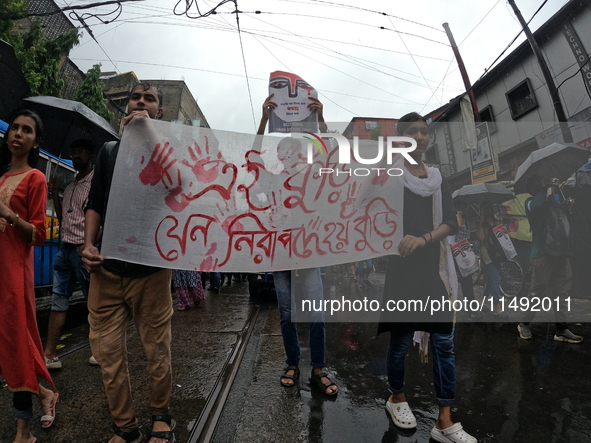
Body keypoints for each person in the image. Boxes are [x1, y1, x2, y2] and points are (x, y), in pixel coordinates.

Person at [81, 83, 175, 443]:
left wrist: (150, 136)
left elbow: (182, 187)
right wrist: (89, 244)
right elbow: (96, 202)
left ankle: (161, 415)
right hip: (106, 270)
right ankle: (125, 425)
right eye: (135, 97)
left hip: (151, 272)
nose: (140, 102)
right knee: (107, 355)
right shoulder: (109, 152)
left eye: (149, 98)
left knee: (156, 350)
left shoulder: (171, 153)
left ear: (160, 113)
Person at [377, 113, 476, 443]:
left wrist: (423, 238)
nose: (420, 137)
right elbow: (365, 207)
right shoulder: (389, 174)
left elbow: (451, 222)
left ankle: (444, 420)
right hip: (402, 270)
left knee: (444, 343)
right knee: (402, 340)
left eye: (424, 132)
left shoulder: (437, 178)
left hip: (433, 270)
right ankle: (396, 397)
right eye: (411, 133)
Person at [258, 94, 337, 395]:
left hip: (308, 253)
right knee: (287, 314)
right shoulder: (270, 180)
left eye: (295, 151)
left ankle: (319, 367)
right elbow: (250, 161)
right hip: (280, 256)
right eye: (285, 151)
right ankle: (292, 362)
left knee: (316, 313)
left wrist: (321, 121)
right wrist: (265, 120)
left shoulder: (313, 178)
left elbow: (332, 158)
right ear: (279, 156)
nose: (290, 155)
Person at [0, 109, 59, 443]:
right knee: (7, 346)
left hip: (14, 274)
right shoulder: (1, 179)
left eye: (27, 130)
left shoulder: (35, 178)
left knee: (16, 346)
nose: (18, 134)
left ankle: (24, 432)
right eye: (15, 128)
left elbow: (38, 235)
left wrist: (8, 213)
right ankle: (44, 392)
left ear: (35, 141)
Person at [44, 139, 98, 369]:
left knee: (93, 302)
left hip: (81, 250)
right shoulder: (72, 185)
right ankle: (49, 354)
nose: (77, 156)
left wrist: (89, 245)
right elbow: (63, 215)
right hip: (64, 249)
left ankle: (99, 351)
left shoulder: (95, 183)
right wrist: (56, 192)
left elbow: (100, 217)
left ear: (90, 156)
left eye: (81, 152)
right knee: (59, 300)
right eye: (74, 152)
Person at [517, 175, 583, 343]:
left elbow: (563, 223)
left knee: (562, 291)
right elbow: (538, 205)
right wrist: (544, 188)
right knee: (537, 292)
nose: (545, 182)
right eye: (541, 180)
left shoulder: (555, 201)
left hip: (561, 253)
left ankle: (562, 329)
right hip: (542, 254)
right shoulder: (531, 202)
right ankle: (524, 323)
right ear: (534, 187)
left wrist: (568, 207)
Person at [476, 200, 506, 318]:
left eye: (488, 208)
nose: (487, 210)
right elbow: (481, 238)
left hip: (497, 254)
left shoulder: (496, 222)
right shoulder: (480, 223)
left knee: (489, 281)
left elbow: (502, 236)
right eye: (485, 208)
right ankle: (497, 308)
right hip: (487, 255)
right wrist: (481, 224)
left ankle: (482, 304)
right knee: (495, 279)